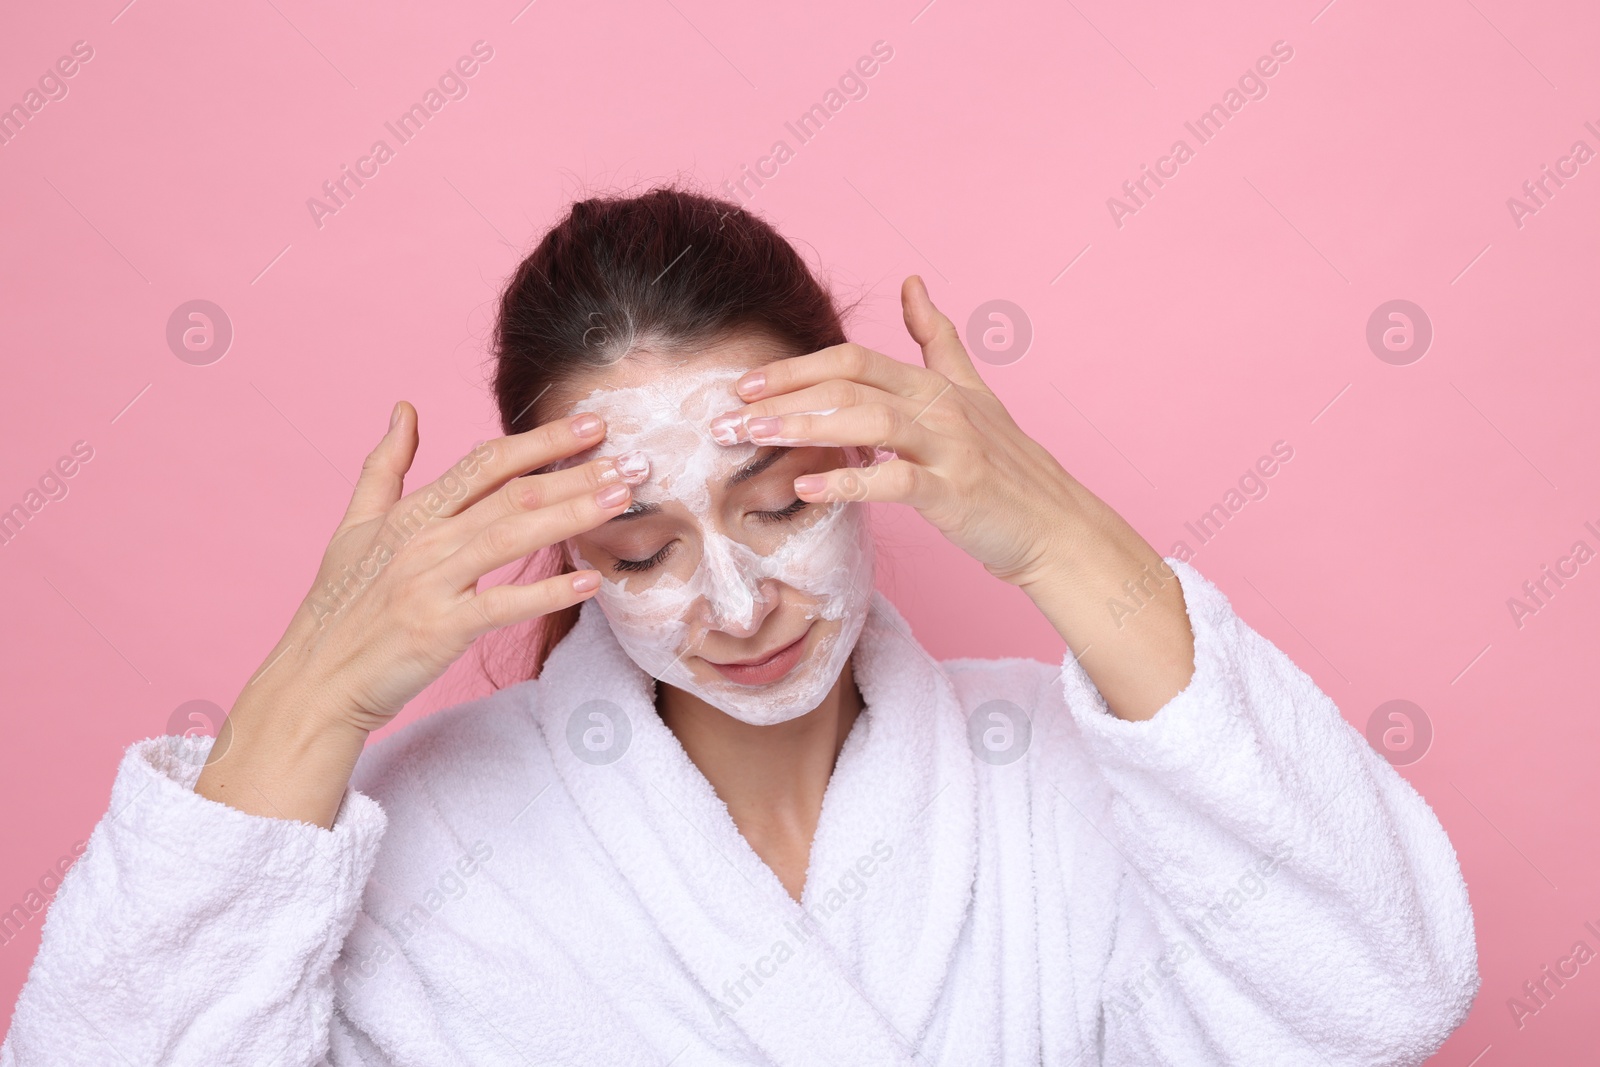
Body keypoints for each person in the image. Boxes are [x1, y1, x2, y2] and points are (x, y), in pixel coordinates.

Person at [1, 186, 1479, 1066]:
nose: (732, 603)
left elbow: (1377, 993)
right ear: (562, 541)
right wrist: (311, 698)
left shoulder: (1069, 781)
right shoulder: (423, 844)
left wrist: (1065, 534)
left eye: (778, 508)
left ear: (869, 452)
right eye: (640, 548)